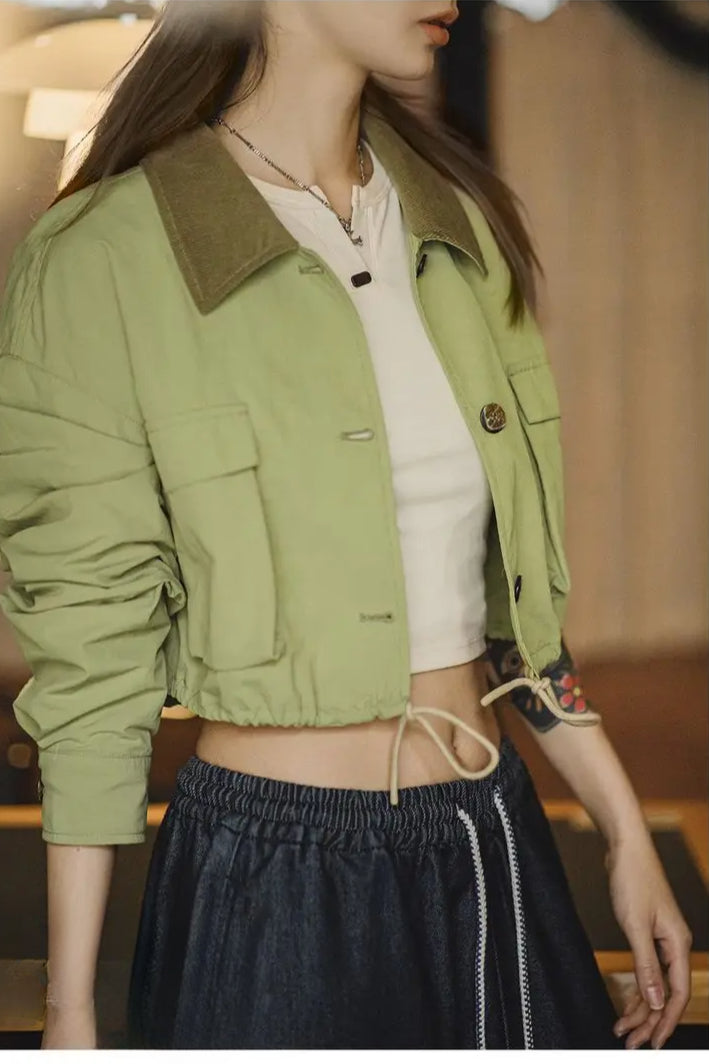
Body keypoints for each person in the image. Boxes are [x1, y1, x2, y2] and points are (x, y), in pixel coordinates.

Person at [0, 0, 692, 1051]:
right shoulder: (105, 255)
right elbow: (94, 663)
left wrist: (621, 829)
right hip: (269, 878)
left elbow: (511, 618)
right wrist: (72, 1014)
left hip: (492, 839)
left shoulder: (459, 226)